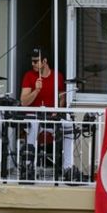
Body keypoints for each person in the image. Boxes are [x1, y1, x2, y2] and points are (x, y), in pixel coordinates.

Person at [19, 49, 79, 181]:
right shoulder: (29, 76)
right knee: (33, 126)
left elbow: (62, 97)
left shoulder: (58, 76)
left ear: (44, 61)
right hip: (34, 117)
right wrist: (36, 91)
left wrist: (57, 110)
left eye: (36, 61)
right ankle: (29, 167)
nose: (33, 64)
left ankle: (68, 168)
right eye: (32, 61)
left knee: (68, 125)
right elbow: (23, 102)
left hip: (52, 117)